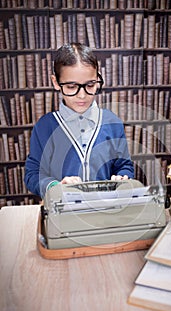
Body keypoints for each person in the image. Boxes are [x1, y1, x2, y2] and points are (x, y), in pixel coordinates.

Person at [24, 43, 134, 198]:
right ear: (56, 83)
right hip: (64, 213)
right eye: (71, 86)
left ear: (97, 80)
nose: (82, 95)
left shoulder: (112, 122)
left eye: (90, 85)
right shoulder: (45, 127)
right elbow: (33, 174)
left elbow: (124, 165)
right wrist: (55, 186)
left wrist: (122, 177)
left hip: (107, 209)